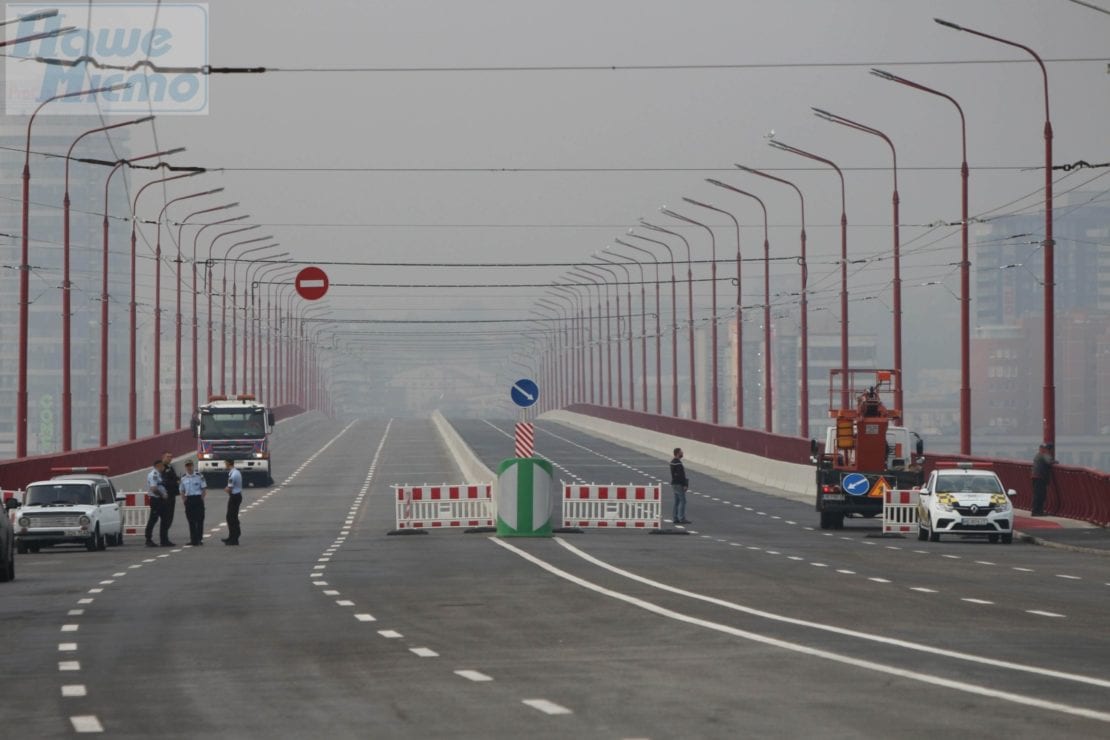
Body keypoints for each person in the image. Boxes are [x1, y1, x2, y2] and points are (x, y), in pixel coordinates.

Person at [180, 460, 207, 546]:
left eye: (190, 465)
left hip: (198, 498)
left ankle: (199, 538)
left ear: (193, 466)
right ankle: (193, 539)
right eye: (187, 466)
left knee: (199, 520)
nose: (189, 467)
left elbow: (203, 489)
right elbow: (182, 490)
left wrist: (201, 499)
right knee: (191, 520)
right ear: (185, 467)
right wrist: (184, 500)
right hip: (189, 500)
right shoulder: (183, 478)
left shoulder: (199, 476)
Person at [158, 451, 180, 547]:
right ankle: (164, 539)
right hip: (166, 495)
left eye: (171, 457)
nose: (170, 458)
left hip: (172, 495)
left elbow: (173, 478)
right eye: (168, 457)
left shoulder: (170, 467)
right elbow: (164, 481)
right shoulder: (162, 468)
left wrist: (178, 480)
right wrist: (175, 483)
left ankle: (165, 538)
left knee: (170, 517)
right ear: (163, 457)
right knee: (166, 518)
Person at [144, 460, 167, 547]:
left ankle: (164, 539)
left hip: (160, 499)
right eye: (162, 466)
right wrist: (162, 495)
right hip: (156, 499)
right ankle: (148, 539)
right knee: (153, 519)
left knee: (164, 519)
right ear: (158, 466)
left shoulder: (159, 475)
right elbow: (154, 488)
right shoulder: (154, 475)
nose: (164, 468)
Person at [1031, 442, 1056, 516]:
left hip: (1035, 476)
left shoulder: (1038, 455)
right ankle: (1037, 511)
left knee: (1038, 494)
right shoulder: (1043, 454)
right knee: (1040, 495)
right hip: (1040, 477)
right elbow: (1049, 461)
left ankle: (1037, 511)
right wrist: (1054, 461)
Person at [222, 458, 243, 546]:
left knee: (231, 518)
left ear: (228, 463)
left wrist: (226, 489)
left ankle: (234, 538)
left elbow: (229, 488)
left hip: (234, 496)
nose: (225, 465)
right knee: (232, 517)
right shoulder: (236, 472)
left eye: (225, 463)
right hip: (237, 496)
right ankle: (232, 536)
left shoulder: (232, 475)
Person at [670, 447, 690, 525]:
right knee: (683, 501)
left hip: (674, 483)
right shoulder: (678, 463)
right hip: (679, 484)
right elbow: (680, 475)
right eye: (681, 452)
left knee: (677, 501)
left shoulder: (672, 462)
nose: (682, 453)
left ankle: (675, 517)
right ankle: (681, 518)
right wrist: (685, 484)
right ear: (678, 453)